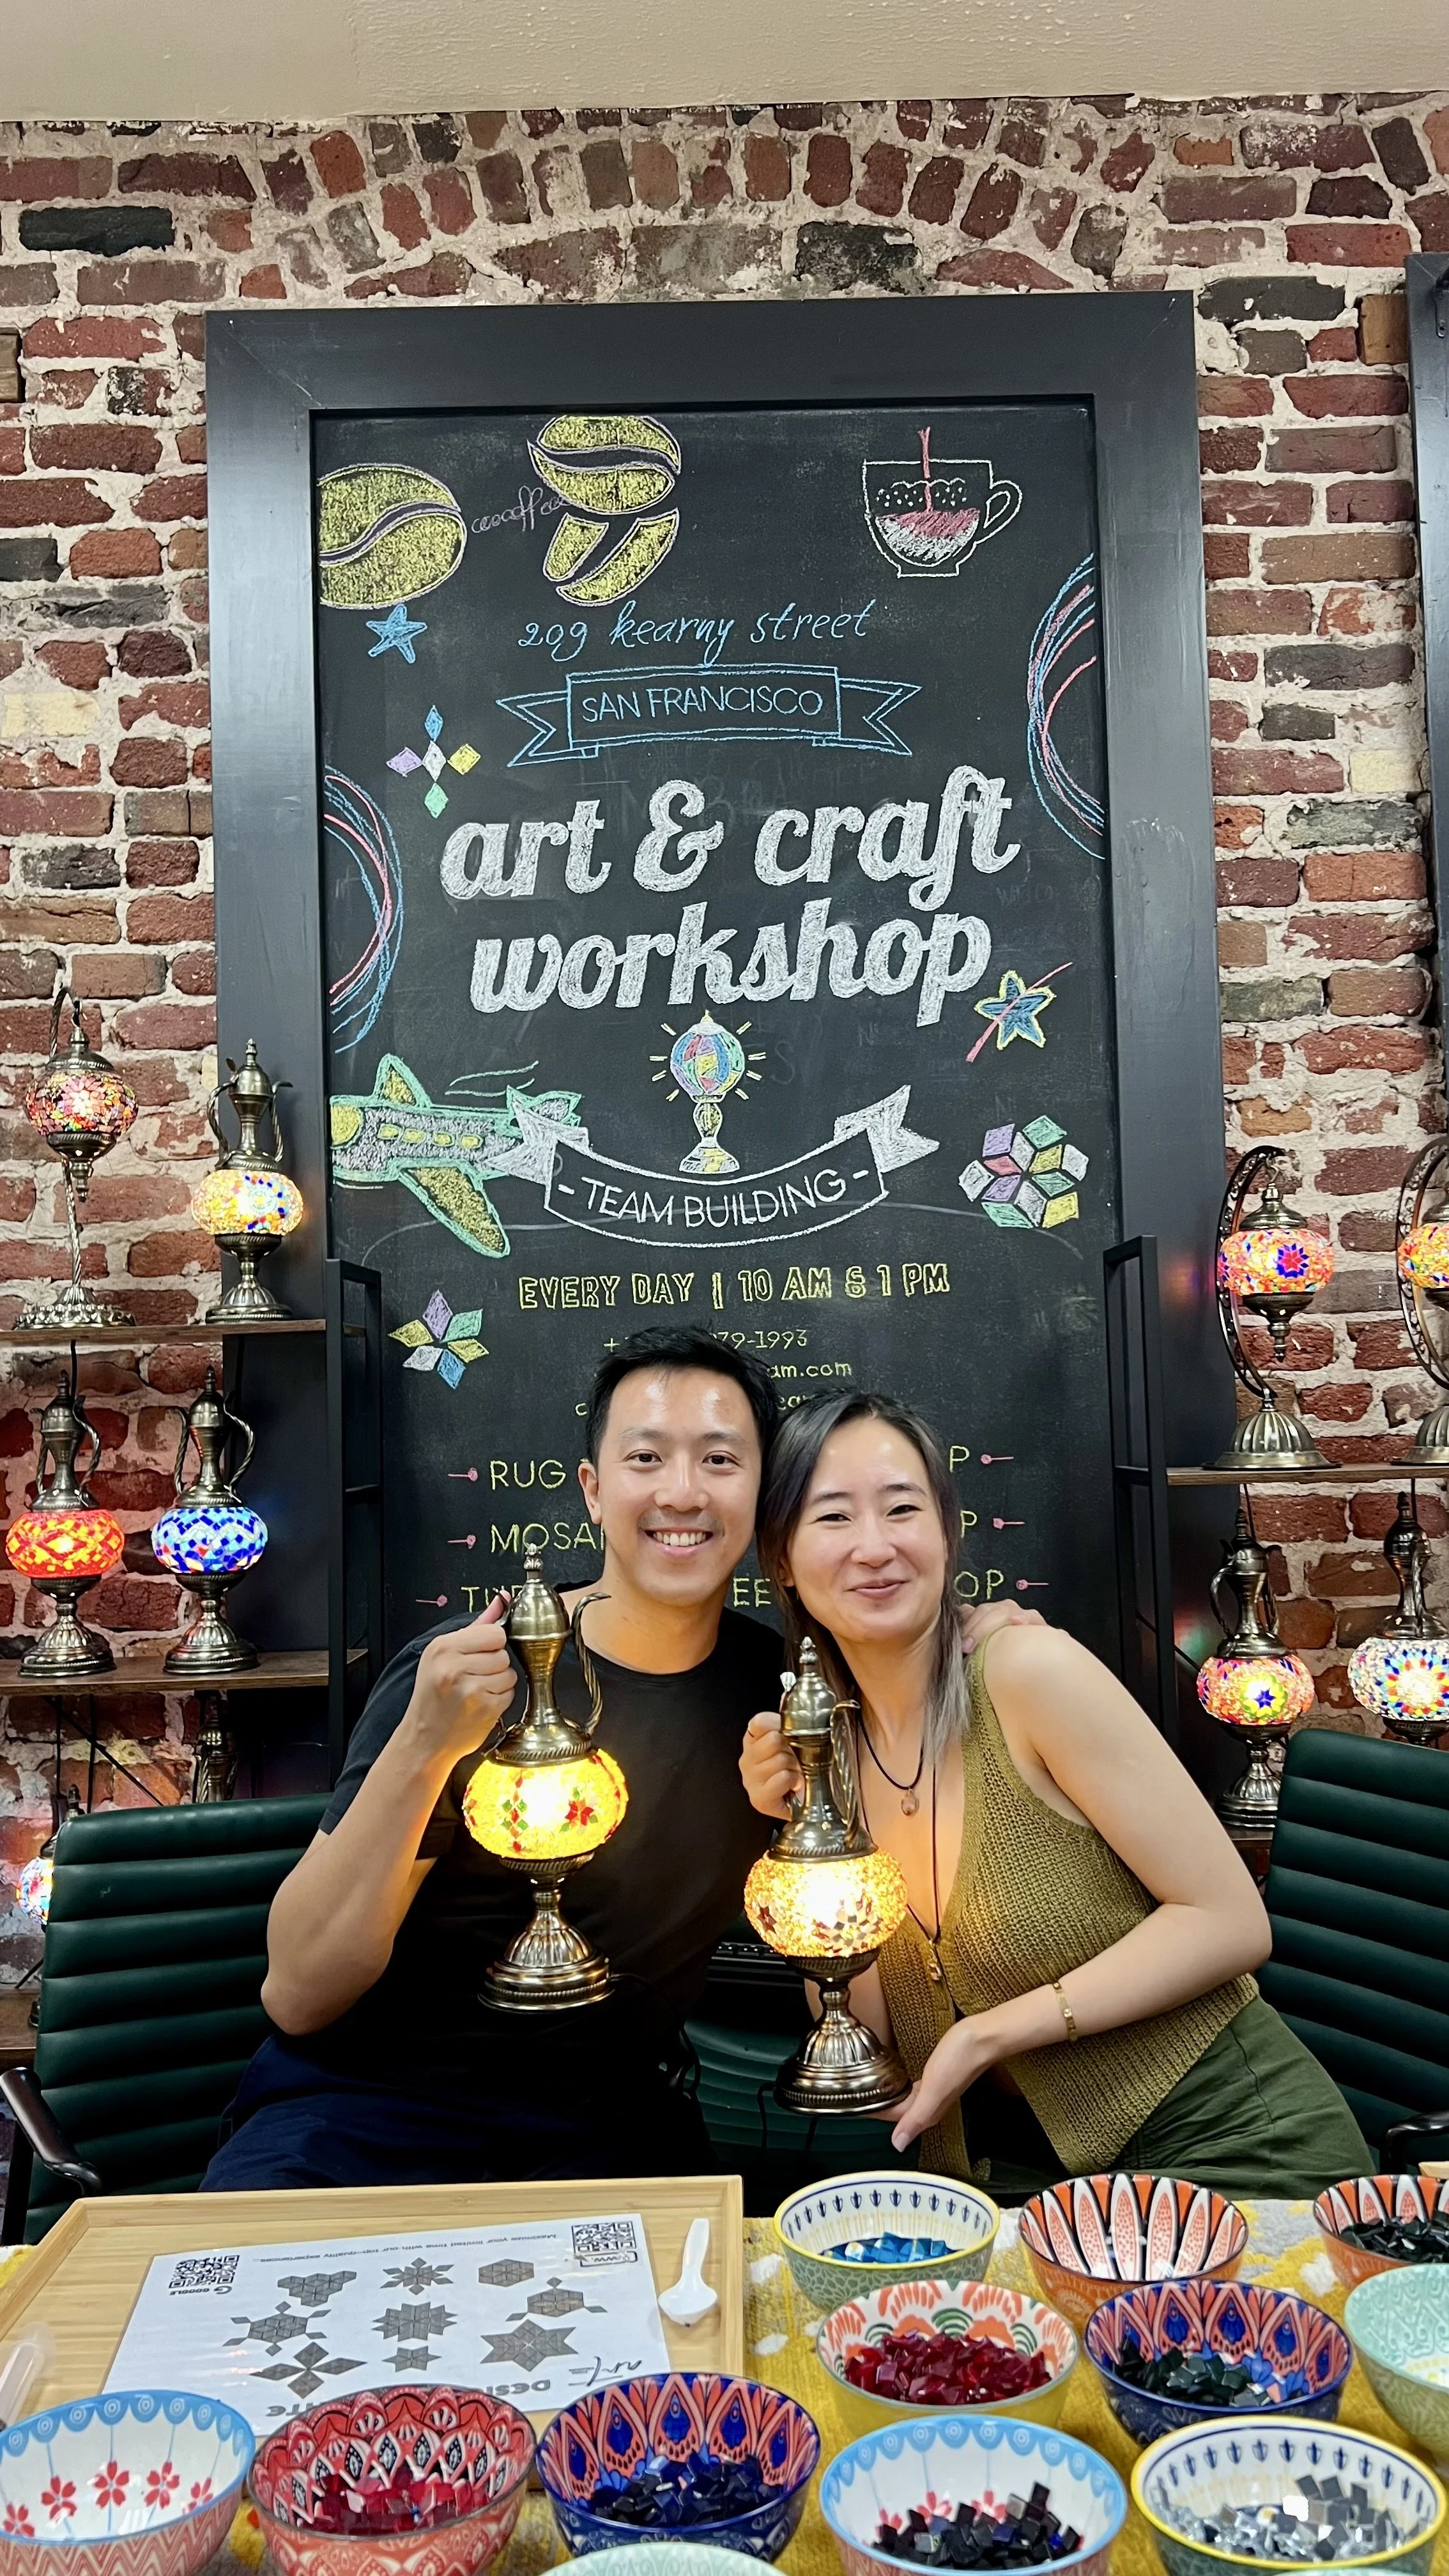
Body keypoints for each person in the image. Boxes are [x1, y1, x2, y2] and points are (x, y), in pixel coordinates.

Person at [739, 1389, 1373, 2201]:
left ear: (947, 1533)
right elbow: (865, 2037)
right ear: (782, 1560)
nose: (875, 1546)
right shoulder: (828, 1750)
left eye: (902, 1509)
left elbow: (1230, 1921)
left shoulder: (1028, 1673)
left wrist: (989, 2035)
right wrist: (807, 1825)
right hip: (1029, 2190)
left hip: (1235, 2150)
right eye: (833, 1517)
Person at [203, 1324, 790, 2190]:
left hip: (608, 2121)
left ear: (763, 1491)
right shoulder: (474, 1671)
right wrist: (424, 1742)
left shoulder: (773, 1687)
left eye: (720, 1460)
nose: (682, 1492)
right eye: (645, 1459)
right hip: (368, 2109)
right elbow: (297, 1992)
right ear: (593, 1491)